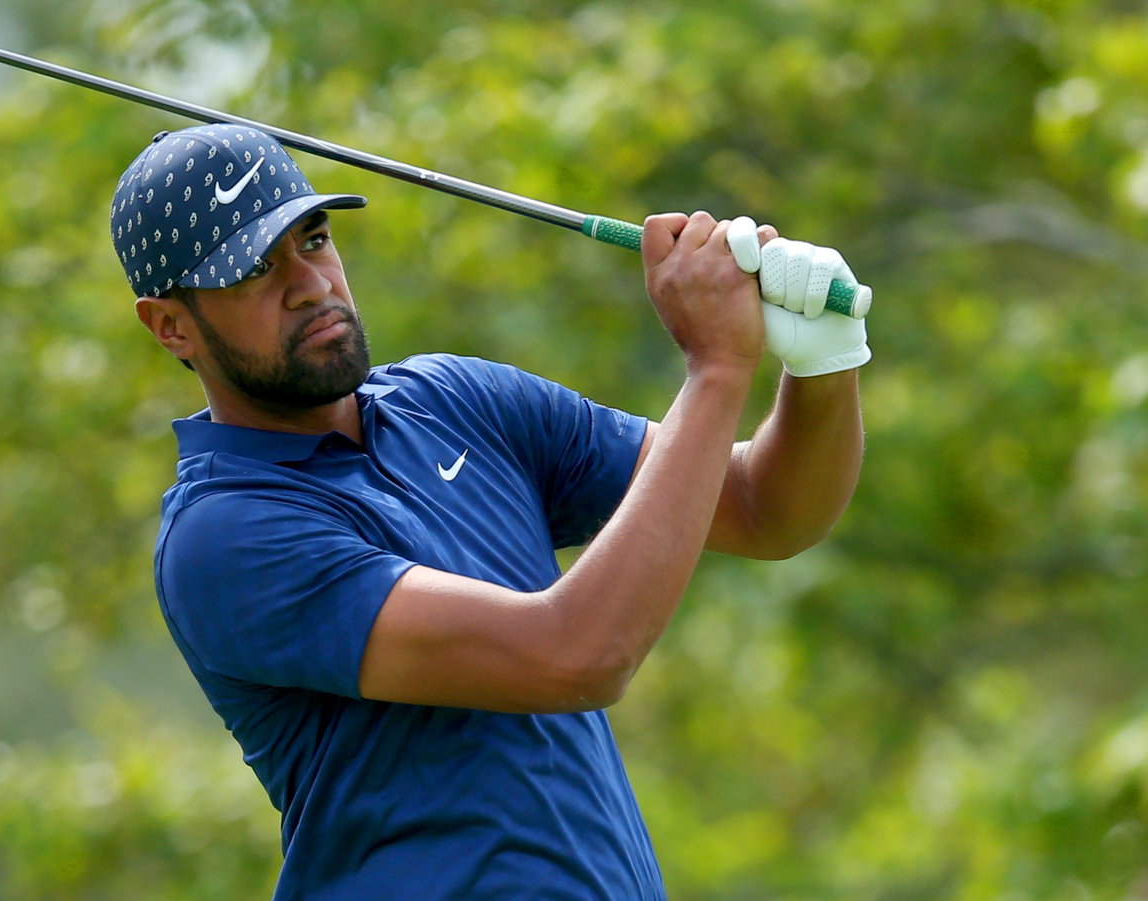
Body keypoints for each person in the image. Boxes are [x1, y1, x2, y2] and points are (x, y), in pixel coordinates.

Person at [112, 123, 868, 899]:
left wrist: (821, 366)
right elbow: (575, 655)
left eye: (314, 239)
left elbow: (762, 508)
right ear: (170, 324)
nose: (310, 284)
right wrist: (716, 368)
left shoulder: (457, 400)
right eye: (255, 270)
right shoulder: (226, 533)